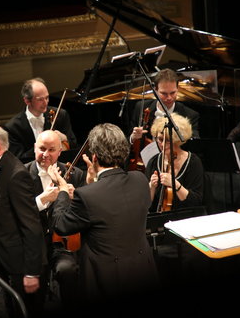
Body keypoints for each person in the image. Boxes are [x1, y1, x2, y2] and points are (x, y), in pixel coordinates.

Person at [49, 123, 158, 314]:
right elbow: (114, 204)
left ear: (94, 157)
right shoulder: (140, 180)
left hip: (105, 280)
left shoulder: (86, 195)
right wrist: (93, 184)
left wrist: (63, 191)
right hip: (143, 270)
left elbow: (61, 225)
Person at [0, 122, 46, 317]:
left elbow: (32, 227)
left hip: (20, 261)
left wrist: (31, 272)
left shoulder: (17, 175)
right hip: (0, 252)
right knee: (9, 307)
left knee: (26, 310)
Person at [23, 130, 85, 310]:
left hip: (62, 244)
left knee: (68, 270)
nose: (45, 154)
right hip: (33, 244)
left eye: (51, 150)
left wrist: (74, 201)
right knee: (34, 294)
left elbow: (83, 216)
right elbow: (17, 214)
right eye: (42, 148)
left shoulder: (76, 174)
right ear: (35, 148)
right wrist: (43, 199)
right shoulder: (21, 174)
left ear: (60, 152)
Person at [4, 77, 77, 163]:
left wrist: (64, 138)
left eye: (47, 98)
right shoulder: (13, 127)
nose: (45, 102)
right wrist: (41, 145)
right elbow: (19, 159)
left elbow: (73, 145)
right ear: (27, 101)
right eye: (40, 99)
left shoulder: (60, 115)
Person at [145, 113, 204, 212]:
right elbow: (146, 204)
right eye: (160, 139)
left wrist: (175, 185)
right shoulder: (154, 161)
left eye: (168, 140)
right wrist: (151, 187)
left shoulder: (193, 162)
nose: (162, 144)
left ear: (177, 141)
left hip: (185, 218)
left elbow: (196, 201)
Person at [129, 68, 200, 146]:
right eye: (164, 93)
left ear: (178, 89)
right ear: (155, 91)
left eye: (173, 93)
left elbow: (193, 146)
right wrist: (133, 137)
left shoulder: (190, 115)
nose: (169, 97)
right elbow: (128, 139)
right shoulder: (141, 107)